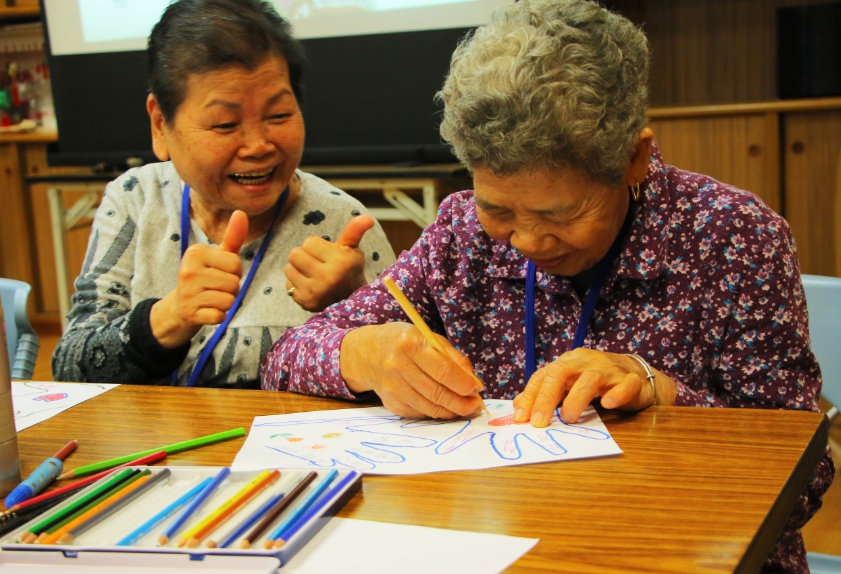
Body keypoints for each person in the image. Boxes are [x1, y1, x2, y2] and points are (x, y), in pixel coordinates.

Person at [261, 1, 833, 570]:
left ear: (634, 159)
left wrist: (661, 391)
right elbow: (285, 359)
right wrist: (364, 353)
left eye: (561, 214)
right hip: (500, 547)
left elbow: (804, 475)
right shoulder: (461, 234)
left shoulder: (732, 235)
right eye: (499, 210)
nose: (529, 241)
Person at [52, 0, 395, 388]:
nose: (258, 145)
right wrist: (169, 317)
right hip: (148, 430)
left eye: (279, 115)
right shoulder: (137, 199)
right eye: (225, 124)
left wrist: (353, 302)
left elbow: (402, 372)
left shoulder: (343, 224)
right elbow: (70, 371)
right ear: (161, 125)